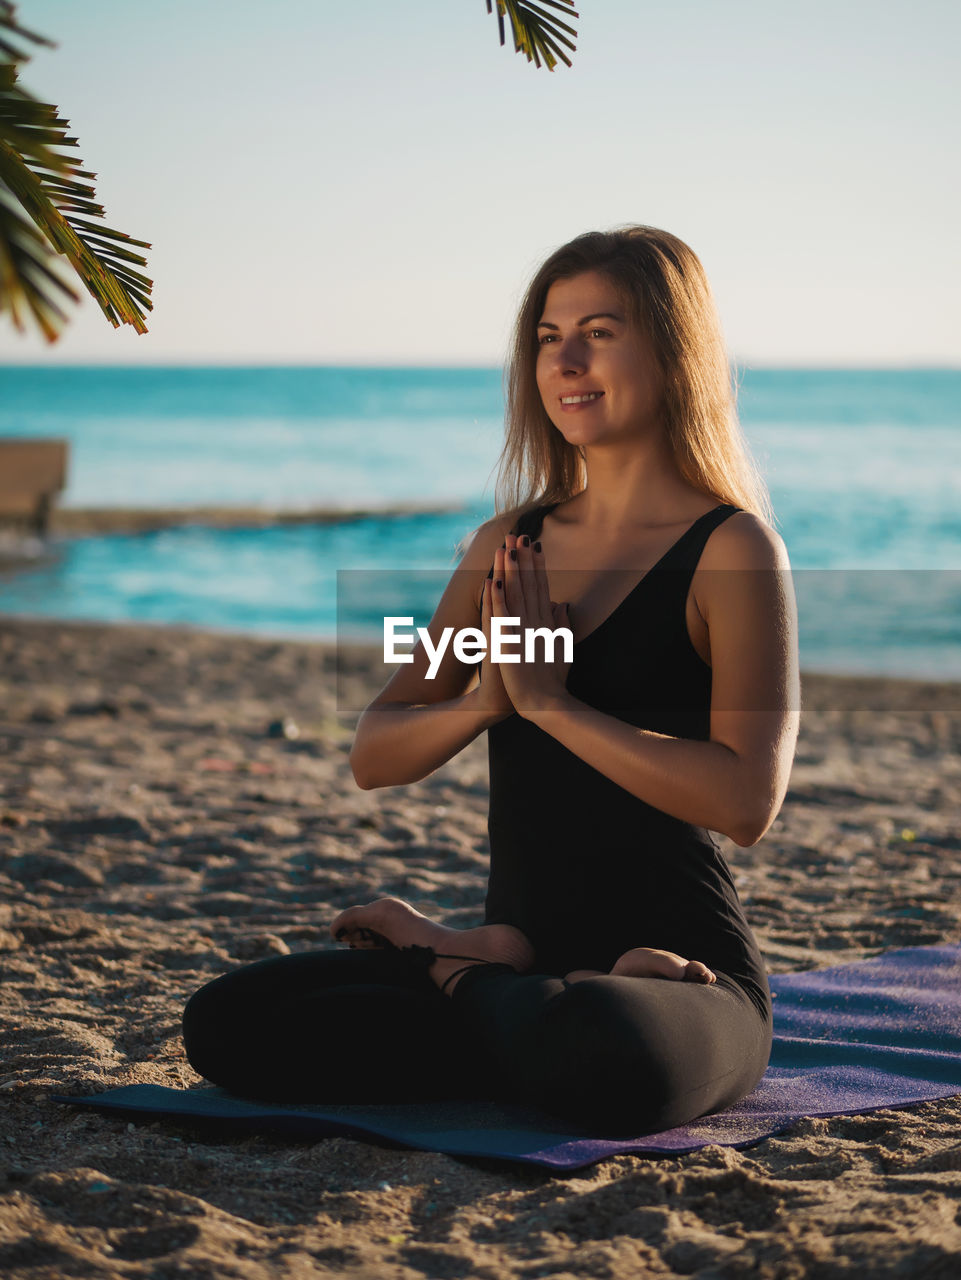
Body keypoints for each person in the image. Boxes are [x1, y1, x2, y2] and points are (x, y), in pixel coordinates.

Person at [183, 226, 799, 1134]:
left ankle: (459, 969)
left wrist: (552, 705)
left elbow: (747, 800)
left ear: (672, 351)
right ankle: (497, 975)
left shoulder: (731, 550)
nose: (567, 360)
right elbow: (375, 752)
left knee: (604, 1050)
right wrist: (484, 700)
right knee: (228, 1028)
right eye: (548, 338)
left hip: (684, 970)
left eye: (600, 330)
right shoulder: (508, 545)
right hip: (533, 952)